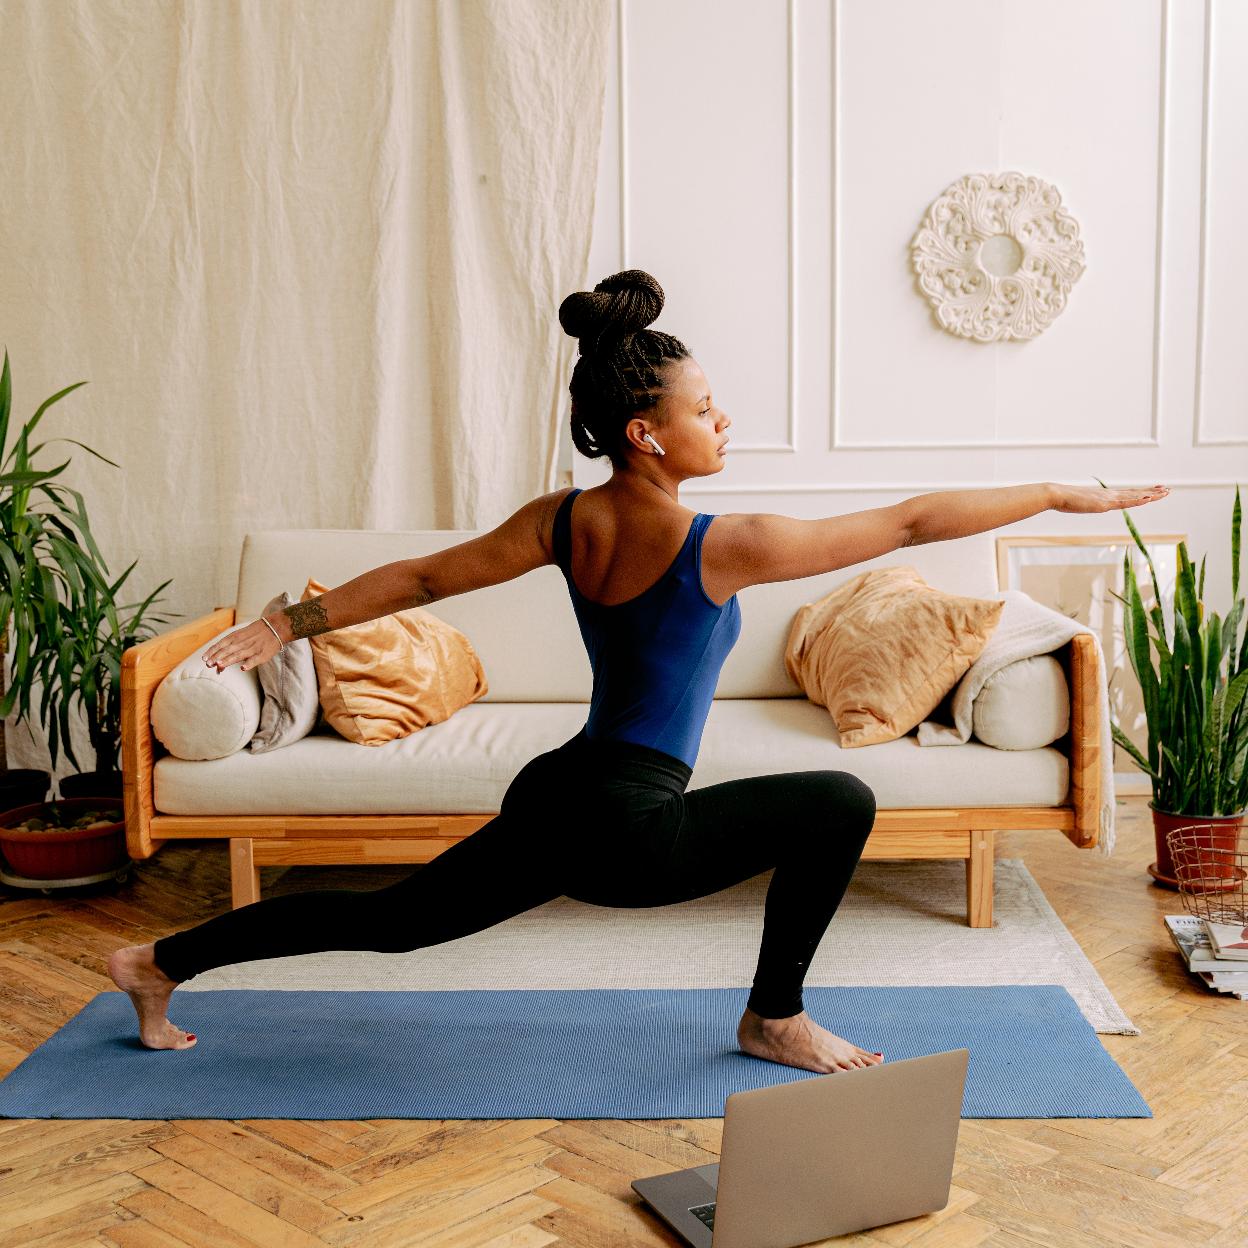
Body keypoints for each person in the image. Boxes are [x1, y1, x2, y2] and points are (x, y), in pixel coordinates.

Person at [107, 269, 1170, 1073]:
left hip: (565, 789)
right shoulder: (722, 544)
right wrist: (1057, 493)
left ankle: (157, 965)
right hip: (624, 825)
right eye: (705, 410)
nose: (723, 421)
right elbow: (907, 521)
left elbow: (430, 576)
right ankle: (774, 1016)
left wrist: (293, 621)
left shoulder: (564, 520)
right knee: (837, 799)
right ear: (644, 434)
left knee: (391, 923)